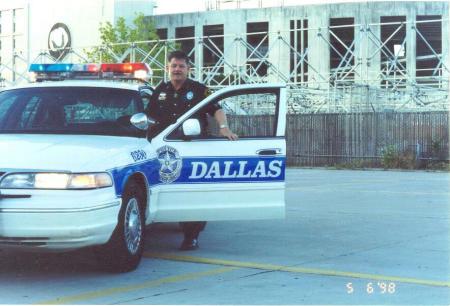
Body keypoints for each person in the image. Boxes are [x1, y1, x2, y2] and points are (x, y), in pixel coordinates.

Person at [145, 50, 238, 251]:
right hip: (165, 149)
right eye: (173, 66)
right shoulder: (160, 90)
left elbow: (217, 109)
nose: (177, 69)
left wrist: (224, 128)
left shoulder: (199, 89)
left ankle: (191, 236)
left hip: (193, 147)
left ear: (188, 69)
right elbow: (148, 117)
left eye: (181, 66)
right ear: (167, 68)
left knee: (192, 192)